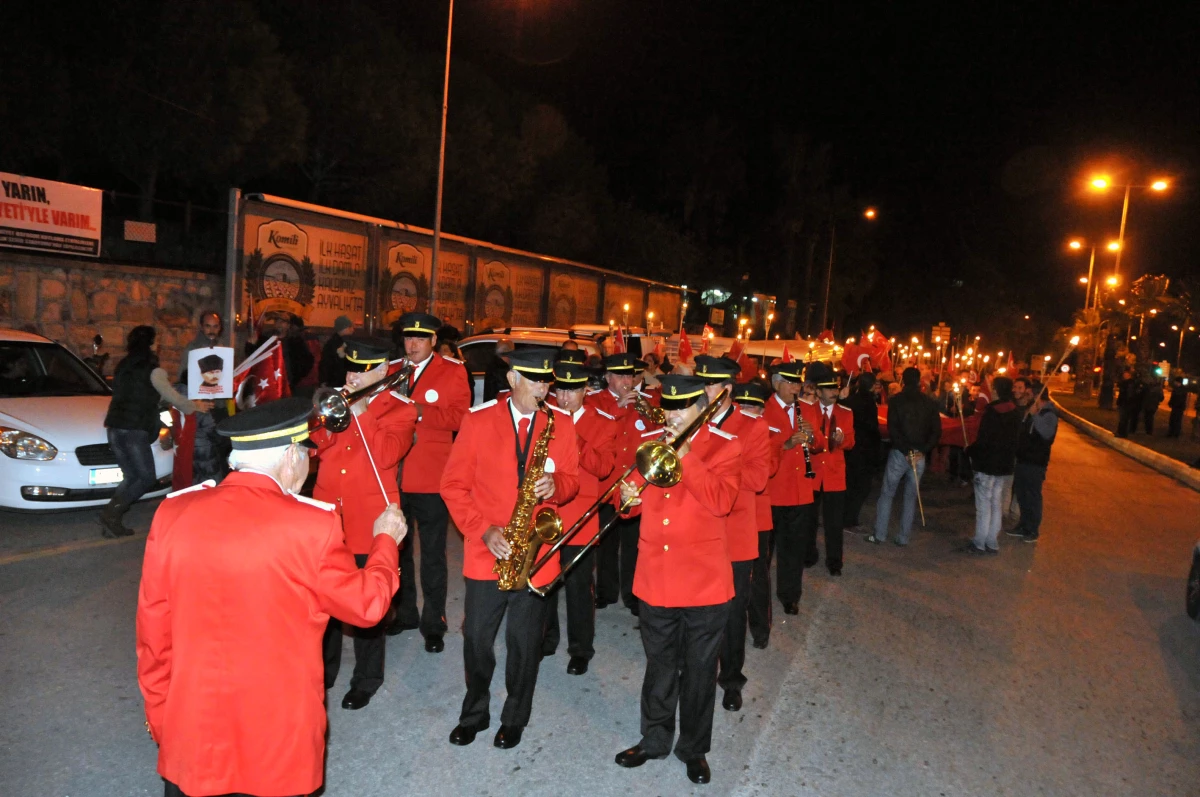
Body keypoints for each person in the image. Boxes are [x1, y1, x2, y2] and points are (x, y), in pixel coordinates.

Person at [136, 397, 407, 797]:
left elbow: (153, 634)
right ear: (292, 456)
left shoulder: (173, 514)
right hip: (276, 741)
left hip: (192, 730)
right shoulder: (312, 526)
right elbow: (366, 606)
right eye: (307, 457)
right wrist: (386, 542)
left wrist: (161, 717)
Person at [440, 347, 580, 750]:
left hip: (537, 555)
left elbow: (571, 479)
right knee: (477, 640)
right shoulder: (478, 421)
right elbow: (452, 486)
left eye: (547, 381)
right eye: (536, 380)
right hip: (490, 550)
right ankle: (475, 713)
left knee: (524, 643)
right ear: (513, 378)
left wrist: (558, 486)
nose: (544, 389)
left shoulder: (561, 425)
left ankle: (515, 716)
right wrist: (483, 530)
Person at [613, 373, 741, 785]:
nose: (673, 415)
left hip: (705, 583)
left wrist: (686, 456)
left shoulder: (725, 446)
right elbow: (626, 500)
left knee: (701, 670)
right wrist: (626, 498)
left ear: (700, 409)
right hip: (657, 578)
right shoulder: (648, 443)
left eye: (682, 408)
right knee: (660, 665)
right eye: (668, 407)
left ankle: (694, 749)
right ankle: (654, 739)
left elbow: (722, 501)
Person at [313, 338, 418, 711]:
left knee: (367, 602)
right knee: (324, 601)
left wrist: (363, 412)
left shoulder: (401, 409)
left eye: (363, 370)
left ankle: (367, 678)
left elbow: (389, 454)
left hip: (372, 522)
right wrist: (331, 416)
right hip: (328, 516)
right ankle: (323, 672)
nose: (354, 376)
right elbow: (316, 446)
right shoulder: (335, 403)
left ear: (382, 372)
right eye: (351, 369)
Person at [388, 312, 471, 652]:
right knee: (397, 551)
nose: (413, 344)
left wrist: (419, 410)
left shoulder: (452, 371)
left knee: (434, 555)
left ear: (434, 341)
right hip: (394, 474)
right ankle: (405, 612)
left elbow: (461, 417)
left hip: (432, 477)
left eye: (420, 338)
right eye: (409, 338)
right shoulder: (392, 371)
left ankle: (433, 622)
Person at [694, 356, 771, 712]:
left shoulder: (752, 426)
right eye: (701, 383)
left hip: (735, 535)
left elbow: (757, 479)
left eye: (708, 385)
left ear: (726, 390)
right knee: (696, 608)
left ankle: (731, 679)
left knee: (732, 612)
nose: (702, 391)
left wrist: (718, 466)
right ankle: (697, 672)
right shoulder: (693, 422)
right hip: (697, 529)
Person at [540, 359, 617, 674]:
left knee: (578, 586)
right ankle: (547, 638)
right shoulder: (544, 416)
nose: (564, 397)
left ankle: (580, 648)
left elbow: (603, 468)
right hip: (547, 510)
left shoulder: (603, 423)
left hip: (581, 515)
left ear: (586, 389)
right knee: (543, 579)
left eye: (572, 390)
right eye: (560, 389)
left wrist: (574, 436)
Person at [100, 326, 212, 538]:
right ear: (150, 344)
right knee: (145, 477)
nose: (158, 344)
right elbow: (171, 395)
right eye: (156, 340)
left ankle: (111, 517)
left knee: (132, 476)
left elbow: (139, 394)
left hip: (115, 427)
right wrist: (195, 406)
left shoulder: (124, 365)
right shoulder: (153, 369)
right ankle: (110, 514)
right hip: (134, 430)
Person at [586, 352, 662, 615]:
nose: (626, 380)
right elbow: (593, 433)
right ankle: (606, 592)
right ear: (607, 377)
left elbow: (657, 436)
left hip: (636, 485)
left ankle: (632, 595)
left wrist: (651, 414)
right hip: (606, 484)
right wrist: (618, 408)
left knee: (634, 544)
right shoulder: (594, 402)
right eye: (619, 375)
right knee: (605, 543)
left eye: (629, 374)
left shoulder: (648, 401)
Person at [763, 362, 825, 614]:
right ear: (777, 384)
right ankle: (758, 596)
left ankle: (790, 595)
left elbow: (820, 443)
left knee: (793, 549)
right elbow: (757, 447)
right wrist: (785, 443)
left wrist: (811, 438)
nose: (797, 388)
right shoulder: (762, 409)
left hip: (799, 491)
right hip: (772, 491)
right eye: (791, 383)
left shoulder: (807, 409)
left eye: (798, 383)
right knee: (764, 552)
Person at [868, 367, 941, 546]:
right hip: (918, 455)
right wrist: (921, 450)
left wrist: (906, 449)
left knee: (887, 493)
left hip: (900, 453)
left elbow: (894, 429)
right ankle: (903, 537)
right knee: (910, 496)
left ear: (903, 379)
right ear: (919, 381)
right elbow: (936, 431)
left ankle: (880, 534)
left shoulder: (897, 401)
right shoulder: (929, 402)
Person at [731, 382, 777, 648]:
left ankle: (761, 629)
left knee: (758, 577)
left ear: (762, 409)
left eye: (753, 406)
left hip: (757, 516)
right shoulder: (729, 430)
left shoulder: (766, 434)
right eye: (742, 405)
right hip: (733, 512)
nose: (747, 410)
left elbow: (767, 470)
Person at [807, 362, 855, 575]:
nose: (834, 392)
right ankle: (808, 554)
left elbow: (851, 442)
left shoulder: (845, 413)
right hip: (814, 474)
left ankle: (834, 561)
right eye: (829, 388)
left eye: (835, 388)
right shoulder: (809, 411)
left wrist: (842, 440)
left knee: (834, 523)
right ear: (818, 391)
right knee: (809, 519)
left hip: (835, 476)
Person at [964, 376, 1020, 554]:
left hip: (987, 465)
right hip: (1004, 466)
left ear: (996, 390)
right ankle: (992, 540)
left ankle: (979, 541)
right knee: (996, 503)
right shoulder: (1015, 412)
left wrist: (970, 450)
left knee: (983, 504)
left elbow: (984, 440)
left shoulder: (992, 412)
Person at [176, 312, 231, 488]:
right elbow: (182, 379)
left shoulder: (224, 349)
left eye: (215, 326)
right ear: (201, 327)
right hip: (202, 409)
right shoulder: (192, 349)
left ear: (220, 328)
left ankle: (218, 490)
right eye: (208, 326)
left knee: (222, 453)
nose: (212, 330)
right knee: (205, 456)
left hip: (220, 407)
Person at [1008, 383, 1058, 543]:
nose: (1026, 397)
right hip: (1024, 459)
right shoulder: (1031, 410)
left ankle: (1032, 529)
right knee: (1022, 494)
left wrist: (1035, 416)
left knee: (1032, 496)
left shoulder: (1048, 414)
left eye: (1029, 395)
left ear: (1038, 396)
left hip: (1035, 462)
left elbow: (1046, 434)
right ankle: (1023, 525)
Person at [842, 373, 881, 532]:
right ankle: (850, 519)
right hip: (864, 449)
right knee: (861, 486)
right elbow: (872, 427)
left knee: (850, 483)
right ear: (872, 386)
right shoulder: (869, 402)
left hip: (851, 447)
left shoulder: (850, 400)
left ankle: (845, 517)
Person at [319, 315, 355, 388]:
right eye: (350, 327)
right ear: (344, 328)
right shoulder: (338, 343)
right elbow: (326, 364)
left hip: (335, 381)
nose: (353, 330)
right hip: (337, 382)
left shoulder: (332, 342)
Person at [484, 337, 515, 402]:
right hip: (500, 405)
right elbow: (505, 392)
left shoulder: (493, 365)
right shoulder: (501, 369)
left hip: (492, 405)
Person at [1115, 368, 1139, 438]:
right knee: (1122, 418)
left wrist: (1127, 402)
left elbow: (1129, 394)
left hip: (1126, 403)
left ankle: (1122, 433)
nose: (1124, 376)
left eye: (1126, 375)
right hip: (1124, 403)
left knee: (1124, 419)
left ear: (1129, 375)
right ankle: (1121, 432)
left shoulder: (1129, 384)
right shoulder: (1125, 383)